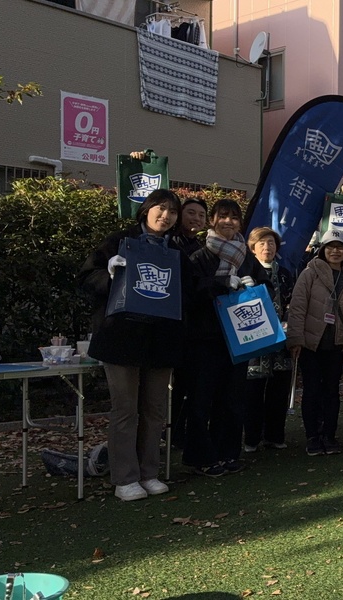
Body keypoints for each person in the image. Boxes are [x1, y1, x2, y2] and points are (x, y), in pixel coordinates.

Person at [77, 189, 186, 500]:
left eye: (172, 212)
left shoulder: (176, 248)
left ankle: (148, 472)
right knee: (125, 409)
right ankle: (125, 477)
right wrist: (109, 273)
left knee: (154, 410)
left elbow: (191, 288)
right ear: (146, 210)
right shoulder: (119, 240)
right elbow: (86, 278)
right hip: (120, 339)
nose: (165, 216)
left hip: (161, 341)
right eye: (160, 209)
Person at [183, 199, 270, 477]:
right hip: (205, 338)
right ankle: (201, 457)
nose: (229, 221)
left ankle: (227, 453)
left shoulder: (247, 256)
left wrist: (254, 285)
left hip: (240, 338)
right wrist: (220, 284)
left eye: (234, 217)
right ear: (213, 221)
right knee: (201, 400)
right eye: (223, 216)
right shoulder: (199, 254)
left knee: (233, 399)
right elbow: (190, 290)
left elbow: (262, 286)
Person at [287, 229, 343, 456]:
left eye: (340, 247)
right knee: (311, 390)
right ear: (322, 250)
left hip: (337, 345)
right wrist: (296, 339)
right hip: (311, 343)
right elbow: (298, 308)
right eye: (331, 246)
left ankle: (329, 435)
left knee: (331, 391)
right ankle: (312, 437)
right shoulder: (310, 273)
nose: (335, 251)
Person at [243, 227, 296, 453]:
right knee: (253, 392)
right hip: (253, 341)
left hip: (281, 342)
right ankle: (252, 438)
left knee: (278, 391)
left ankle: (275, 435)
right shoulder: (246, 272)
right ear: (253, 247)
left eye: (271, 243)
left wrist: (289, 321)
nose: (267, 247)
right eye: (262, 243)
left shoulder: (285, 273)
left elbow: (293, 301)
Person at [168, 197, 208, 448]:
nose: (196, 218)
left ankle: (182, 434)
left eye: (202, 215)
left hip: (200, 327)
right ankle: (172, 433)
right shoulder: (169, 243)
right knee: (176, 386)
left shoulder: (204, 247)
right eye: (190, 213)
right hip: (174, 325)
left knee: (194, 386)